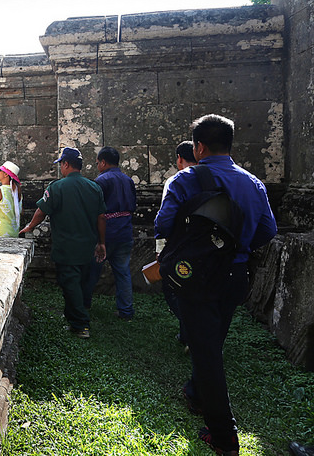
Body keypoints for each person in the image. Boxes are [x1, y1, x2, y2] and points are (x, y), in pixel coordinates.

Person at [155, 114, 277, 456]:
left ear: (199, 146)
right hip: (235, 277)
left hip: (197, 277)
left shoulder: (184, 181)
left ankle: (225, 437)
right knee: (211, 342)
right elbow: (268, 230)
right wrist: (235, 249)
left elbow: (162, 226)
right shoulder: (254, 184)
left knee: (207, 353)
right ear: (230, 144)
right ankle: (195, 393)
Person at [20, 147, 106, 339]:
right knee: (81, 283)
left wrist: (30, 226)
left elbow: (41, 211)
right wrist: (101, 242)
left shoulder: (56, 187)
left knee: (70, 284)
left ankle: (81, 324)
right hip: (87, 245)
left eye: (61, 165)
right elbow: (102, 217)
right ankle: (74, 317)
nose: (61, 168)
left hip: (66, 246)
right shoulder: (94, 187)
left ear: (66, 164)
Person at [82, 146, 136, 320]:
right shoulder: (128, 180)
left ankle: (85, 304)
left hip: (106, 234)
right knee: (123, 272)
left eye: (98, 163)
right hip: (125, 232)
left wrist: (98, 239)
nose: (97, 166)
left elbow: (95, 211)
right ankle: (126, 310)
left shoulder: (101, 181)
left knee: (92, 270)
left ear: (103, 162)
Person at [157, 141, 197, 347]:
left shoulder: (177, 180)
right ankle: (190, 332)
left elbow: (164, 221)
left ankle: (190, 330)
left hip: (181, 248)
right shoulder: (219, 178)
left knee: (174, 288)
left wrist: (161, 249)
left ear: (179, 159)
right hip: (214, 249)